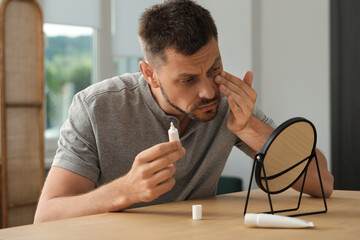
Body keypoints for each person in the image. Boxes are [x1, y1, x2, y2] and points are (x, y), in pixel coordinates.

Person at [34, 0, 333, 223]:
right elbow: (46, 216)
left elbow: (323, 182)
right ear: (150, 74)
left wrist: (248, 128)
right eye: (188, 80)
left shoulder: (227, 100)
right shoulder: (95, 107)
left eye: (214, 68)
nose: (208, 91)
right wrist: (126, 190)